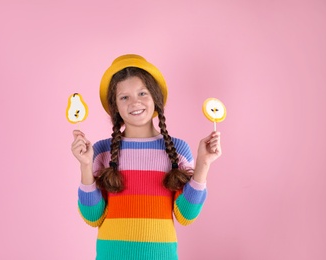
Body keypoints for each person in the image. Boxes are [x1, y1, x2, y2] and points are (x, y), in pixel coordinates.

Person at [71, 54, 222, 260]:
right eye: (124, 97)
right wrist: (86, 166)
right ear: (115, 107)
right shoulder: (101, 151)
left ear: (155, 98)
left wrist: (203, 164)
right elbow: (93, 217)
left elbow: (186, 216)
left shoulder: (177, 150)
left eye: (143, 93)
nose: (135, 102)